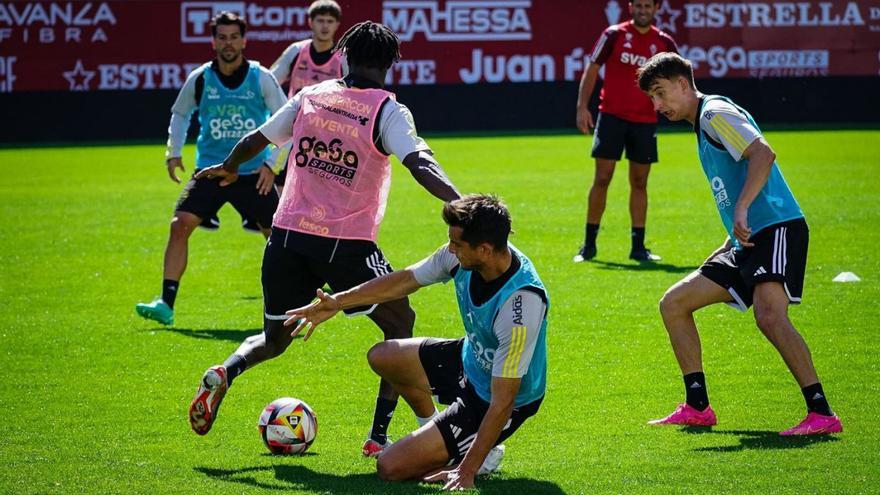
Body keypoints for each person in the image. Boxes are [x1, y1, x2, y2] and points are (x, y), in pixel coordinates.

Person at [188, 21, 462, 457]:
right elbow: (420, 162)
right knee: (400, 325)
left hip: (286, 238)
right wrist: (460, 201)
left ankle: (227, 369)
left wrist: (226, 166)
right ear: (391, 65)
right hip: (346, 245)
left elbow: (256, 138)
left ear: (345, 57)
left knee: (275, 339)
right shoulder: (387, 110)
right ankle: (379, 436)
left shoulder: (311, 96)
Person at [636, 52, 842, 435]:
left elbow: (762, 153)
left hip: (775, 227)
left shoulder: (715, 113)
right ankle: (697, 406)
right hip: (747, 237)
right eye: (652, 98)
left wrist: (743, 210)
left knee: (769, 316)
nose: (657, 105)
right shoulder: (702, 123)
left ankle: (822, 413)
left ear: (684, 84)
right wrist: (729, 238)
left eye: (661, 93)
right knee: (675, 303)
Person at [286, 194, 548, 489]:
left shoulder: (522, 304)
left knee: (390, 467)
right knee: (384, 356)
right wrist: (337, 301)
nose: (450, 249)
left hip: (495, 399)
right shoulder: (459, 257)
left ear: (485, 249)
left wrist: (466, 471)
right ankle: (444, 434)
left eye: (457, 245)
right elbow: (405, 279)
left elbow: (504, 401)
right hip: (470, 358)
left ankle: (478, 455)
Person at [135, 11, 287, 326]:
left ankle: (290, 305)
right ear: (213, 41)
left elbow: (286, 120)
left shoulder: (261, 78)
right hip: (210, 172)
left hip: (252, 173)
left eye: (234, 37)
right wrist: (173, 152)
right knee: (180, 225)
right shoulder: (201, 78)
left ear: (244, 41)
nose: (228, 43)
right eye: (222, 37)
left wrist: (272, 165)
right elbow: (180, 113)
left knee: (279, 237)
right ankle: (166, 303)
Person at [573, 0, 678, 263]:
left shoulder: (664, 43)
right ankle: (588, 246)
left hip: (645, 121)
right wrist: (581, 107)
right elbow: (592, 69)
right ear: (630, 7)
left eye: (648, 6)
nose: (643, 10)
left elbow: (679, 80)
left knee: (640, 182)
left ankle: (638, 247)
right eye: (638, 5)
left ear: (656, 9)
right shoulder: (614, 35)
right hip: (611, 117)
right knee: (603, 178)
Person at [267, 0, 348, 193]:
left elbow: (352, 95)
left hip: (327, 134)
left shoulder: (343, 57)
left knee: (319, 191)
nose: (325, 26)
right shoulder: (297, 51)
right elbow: (270, 82)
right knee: (279, 188)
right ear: (310, 22)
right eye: (320, 20)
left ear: (337, 25)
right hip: (293, 129)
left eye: (330, 21)